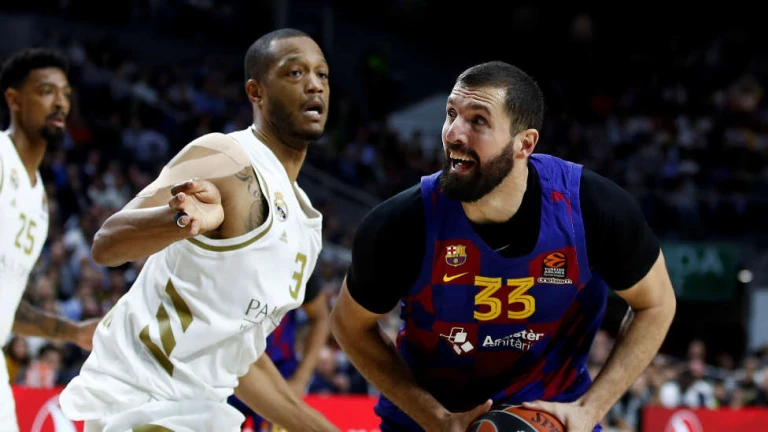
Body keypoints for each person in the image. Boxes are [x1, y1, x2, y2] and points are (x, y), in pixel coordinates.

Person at [330, 61, 677, 432]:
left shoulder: (593, 209)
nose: (453, 133)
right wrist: (435, 417)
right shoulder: (402, 223)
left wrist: (590, 409)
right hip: (428, 423)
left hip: (550, 419)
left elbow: (656, 304)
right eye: (452, 114)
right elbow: (349, 325)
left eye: (478, 120)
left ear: (524, 143)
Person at [60, 29, 339, 432]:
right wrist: (178, 221)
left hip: (202, 411)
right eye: (295, 72)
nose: (314, 84)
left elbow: (238, 357)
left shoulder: (306, 223)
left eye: (322, 74)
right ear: (256, 92)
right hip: (143, 401)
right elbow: (107, 243)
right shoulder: (226, 158)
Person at [0, 48, 99, 432]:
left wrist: (73, 332)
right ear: (14, 99)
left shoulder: (39, 200)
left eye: (66, 94)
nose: (60, 103)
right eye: (46, 91)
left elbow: (8, 308)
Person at [227, 276, 330, 431]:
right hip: (228, 368)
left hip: (278, 373)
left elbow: (321, 317)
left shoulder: (298, 263)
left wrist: (300, 380)